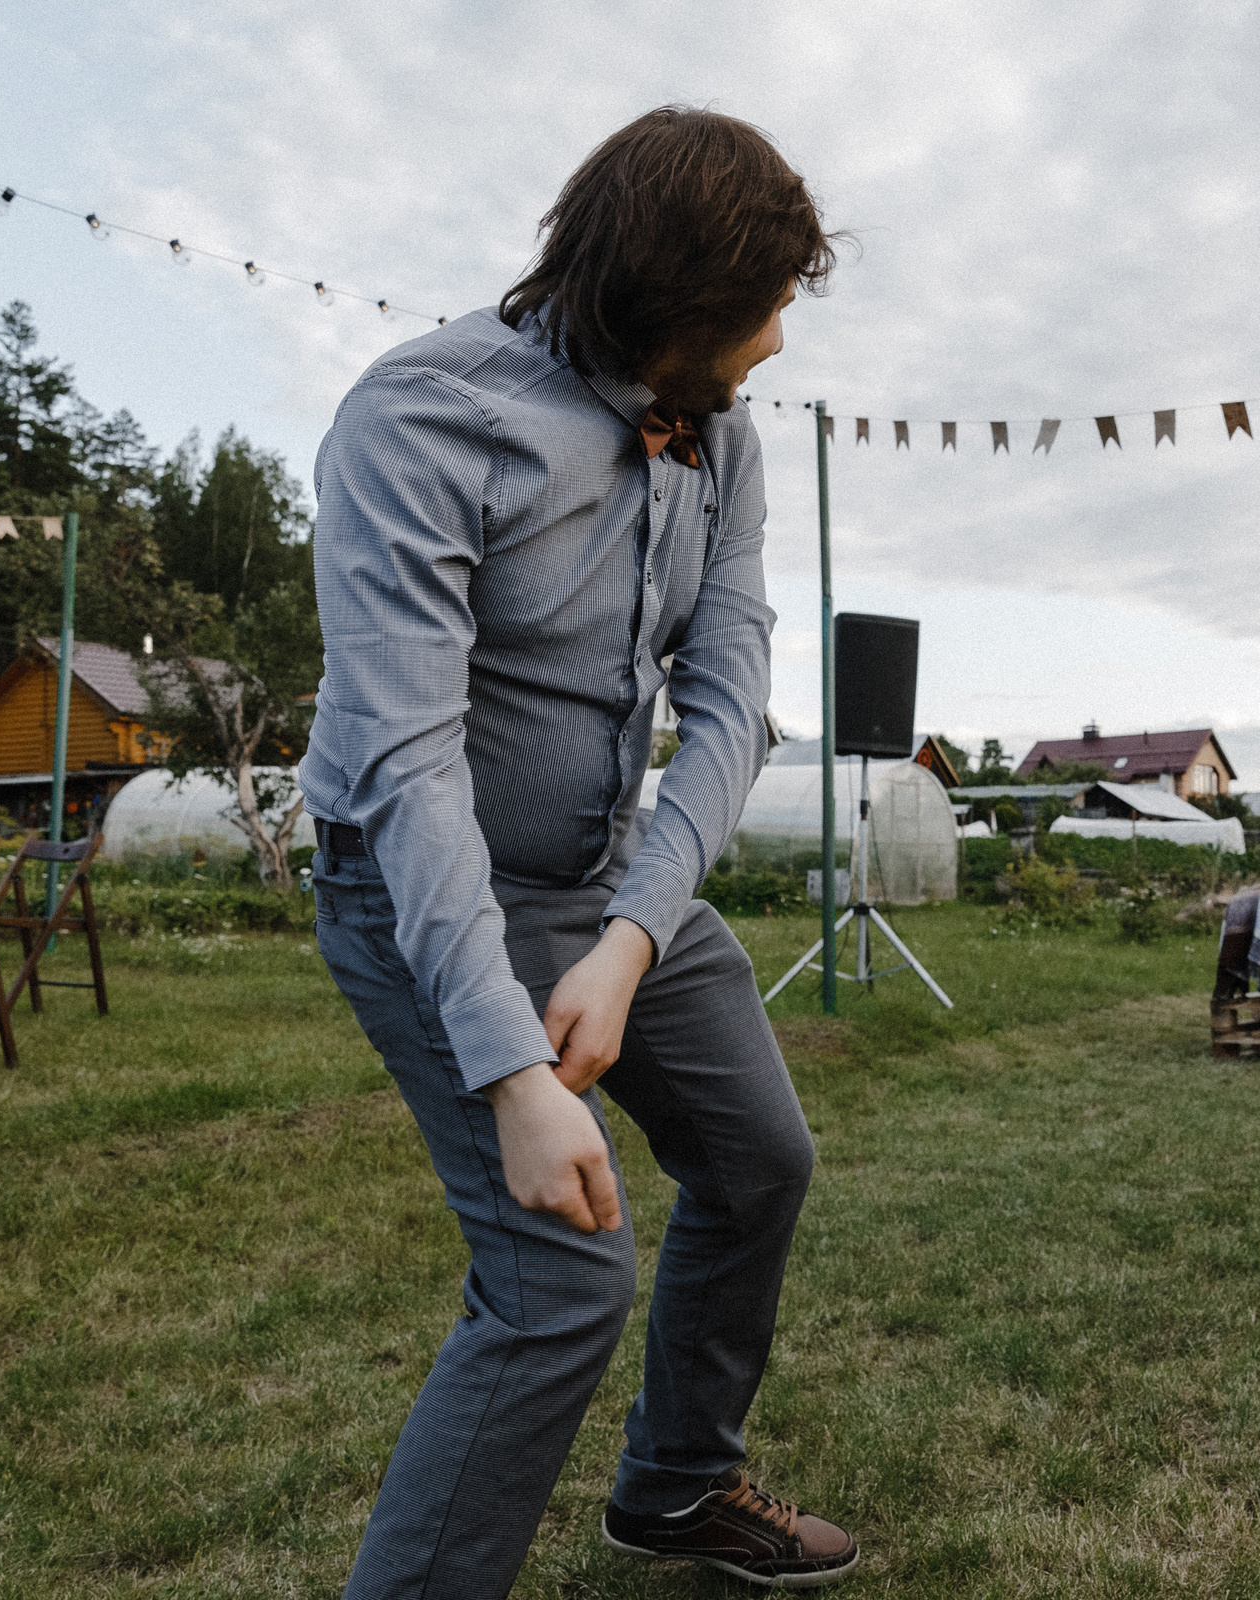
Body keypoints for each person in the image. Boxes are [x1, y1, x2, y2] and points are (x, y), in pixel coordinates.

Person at [299, 108, 855, 1596]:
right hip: (418, 883)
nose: (779, 344)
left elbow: (734, 704)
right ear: (669, 299)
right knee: (559, 1277)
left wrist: (629, 941)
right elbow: (408, 768)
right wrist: (511, 1072)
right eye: (765, 306)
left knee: (758, 1159)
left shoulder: (720, 435)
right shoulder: (421, 422)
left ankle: (676, 1489)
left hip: (604, 884)